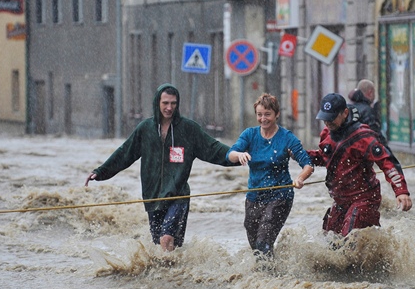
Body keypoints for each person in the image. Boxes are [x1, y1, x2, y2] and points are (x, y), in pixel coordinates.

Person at [84, 83, 236, 251]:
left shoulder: (188, 129)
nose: (169, 107)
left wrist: (237, 157)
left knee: (166, 239)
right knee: (162, 248)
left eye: (173, 103)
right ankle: (172, 277)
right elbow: (124, 153)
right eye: (165, 103)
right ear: (157, 102)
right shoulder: (145, 129)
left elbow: (213, 148)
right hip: (153, 197)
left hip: (178, 196)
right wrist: (100, 172)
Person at [307, 93, 412, 238]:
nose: (327, 122)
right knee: (329, 241)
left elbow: (387, 162)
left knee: (348, 242)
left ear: (344, 113)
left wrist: (401, 191)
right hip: (340, 200)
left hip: (364, 199)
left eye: (331, 118)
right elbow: (324, 158)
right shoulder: (326, 133)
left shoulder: (363, 136)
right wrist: (297, 154)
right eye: (324, 118)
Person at [227, 93, 314, 257]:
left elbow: (308, 164)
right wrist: (239, 155)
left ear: (277, 114)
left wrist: (300, 178)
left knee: (263, 241)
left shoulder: (287, 138)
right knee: (256, 246)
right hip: (254, 197)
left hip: (280, 196)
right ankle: (272, 273)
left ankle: (268, 280)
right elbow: (230, 153)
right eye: (259, 115)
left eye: (267, 114)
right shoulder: (249, 135)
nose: (263, 119)